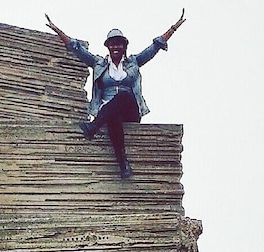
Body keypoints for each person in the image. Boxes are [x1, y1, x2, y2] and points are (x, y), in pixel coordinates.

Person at [46, 10, 186, 179]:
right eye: (112, 44)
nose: (115, 47)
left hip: (130, 111)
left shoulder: (133, 62)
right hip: (110, 113)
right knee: (112, 117)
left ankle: (93, 127)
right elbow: (77, 49)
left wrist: (173, 28)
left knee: (124, 96)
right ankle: (123, 165)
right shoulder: (99, 63)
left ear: (124, 46)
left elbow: (154, 47)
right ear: (108, 47)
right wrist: (58, 31)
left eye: (119, 44)